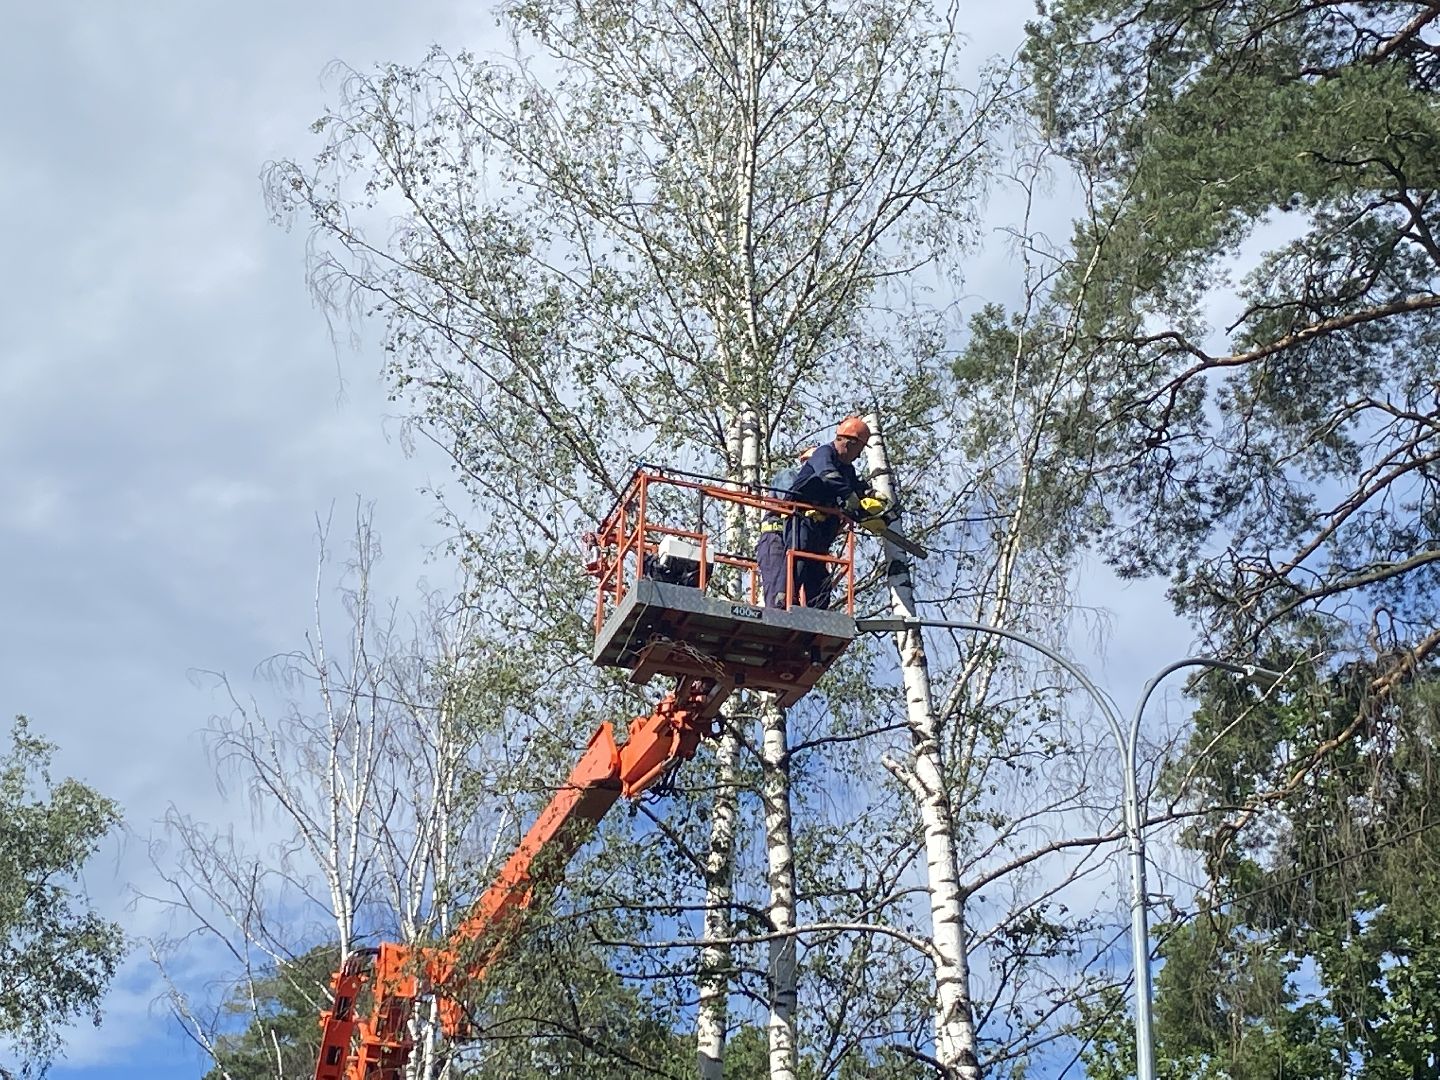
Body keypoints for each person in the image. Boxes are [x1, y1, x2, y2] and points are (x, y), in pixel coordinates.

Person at [761, 416, 874, 609]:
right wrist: (849, 496)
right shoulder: (824, 453)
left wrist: (872, 496)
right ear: (849, 442)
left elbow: (855, 486)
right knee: (799, 557)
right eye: (859, 450)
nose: (858, 455)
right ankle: (784, 600)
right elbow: (828, 475)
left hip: (819, 526)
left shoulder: (847, 469)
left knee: (818, 569)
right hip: (801, 518)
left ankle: (818, 608)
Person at [756, 447, 814, 608]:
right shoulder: (790, 476)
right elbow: (790, 499)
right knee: (778, 592)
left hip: (788, 539)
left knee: (790, 591)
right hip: (776, 538)